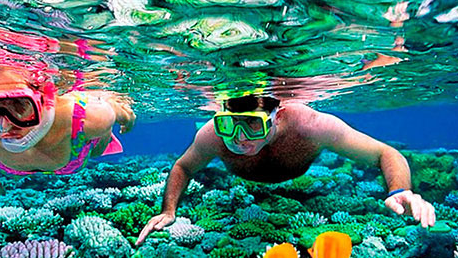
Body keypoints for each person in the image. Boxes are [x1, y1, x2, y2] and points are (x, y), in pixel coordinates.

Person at [136, 94, 436, 246]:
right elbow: (184, 166)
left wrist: (400, 190)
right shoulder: (212, 135)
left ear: (276, 117)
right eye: (229, 125)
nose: (240, 138)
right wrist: (169, 210)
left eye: (254, 124)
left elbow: (386, 152)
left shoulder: (310, 125)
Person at [0, 58, 135, 199]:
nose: (4, 125)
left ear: (44, 99)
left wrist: (122, 114)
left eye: (19, 104)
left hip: (82, 136)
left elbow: (117, 115)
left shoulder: (92, 119)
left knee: (97, 143)